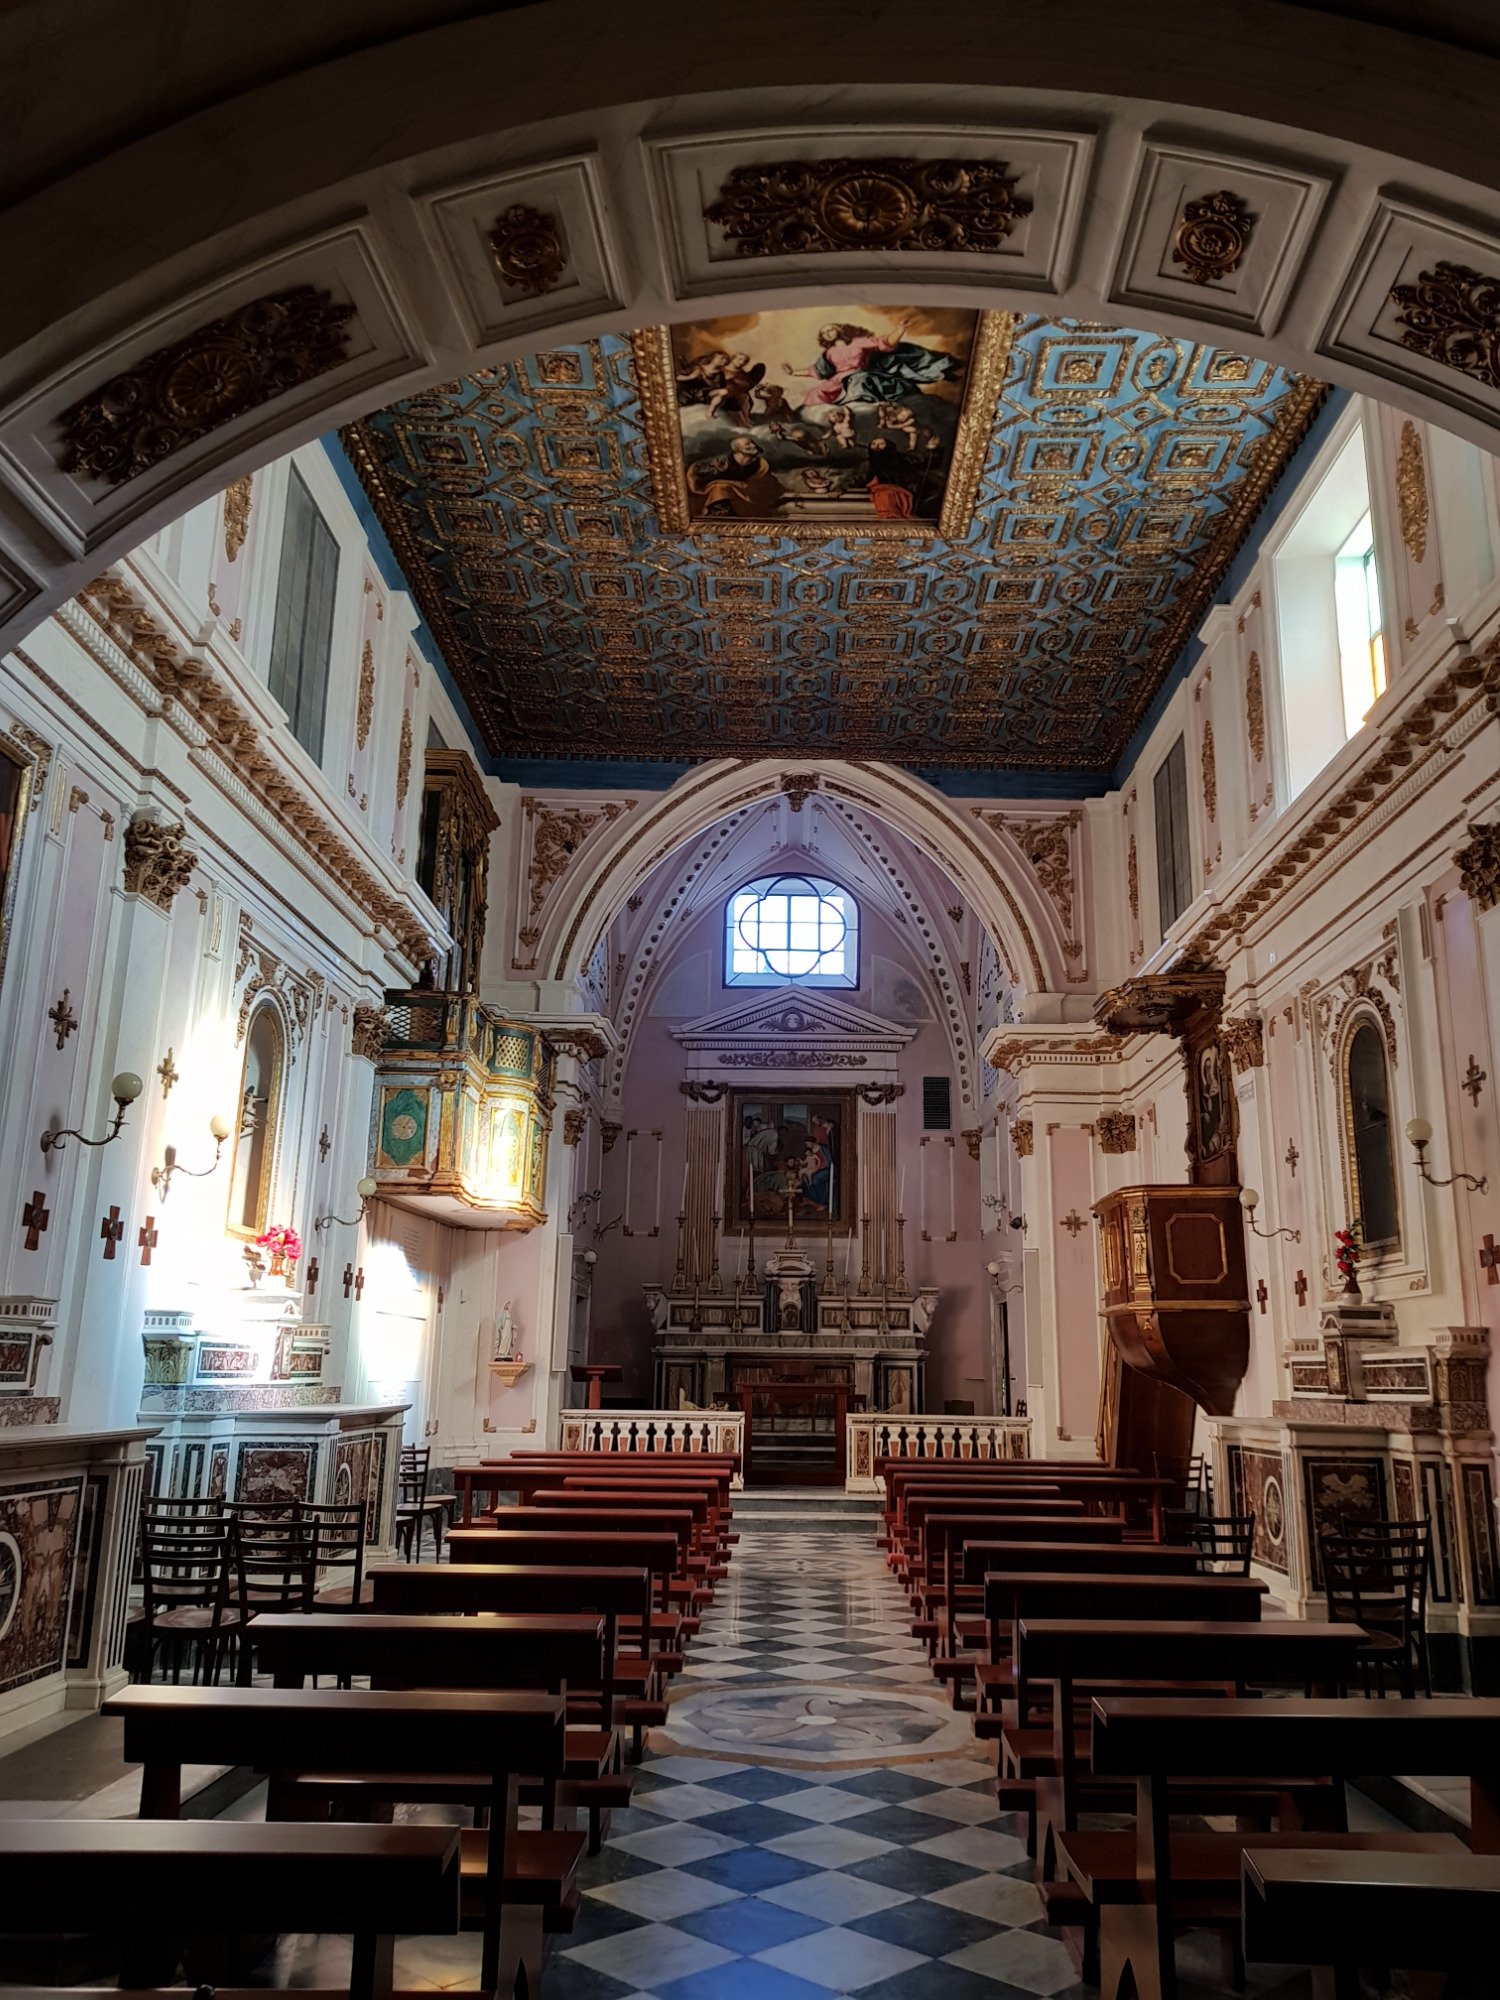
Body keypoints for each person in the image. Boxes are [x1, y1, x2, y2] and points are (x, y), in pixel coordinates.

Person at [782, 319, 961, 410]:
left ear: (839, 329)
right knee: (816, 392)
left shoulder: (859, 342)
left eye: (830, 329)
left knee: (860, 380)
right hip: (837, 380)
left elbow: (885, 343)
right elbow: (817, 371)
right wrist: (793, 373)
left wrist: (900, 328)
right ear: (823, 338)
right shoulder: (828, 353)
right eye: (824, 332)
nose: (828, 333)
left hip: (861, 373)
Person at [687, 434, 784, 517]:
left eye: (752, 442)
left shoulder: (760, 464)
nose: (753, 445)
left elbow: (766, 483)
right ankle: (721, 513)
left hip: (751, 497)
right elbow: (695, 472)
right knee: (719, 488)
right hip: (726, 497)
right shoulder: (721, 463)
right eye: (748, 444)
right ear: (738, 449)